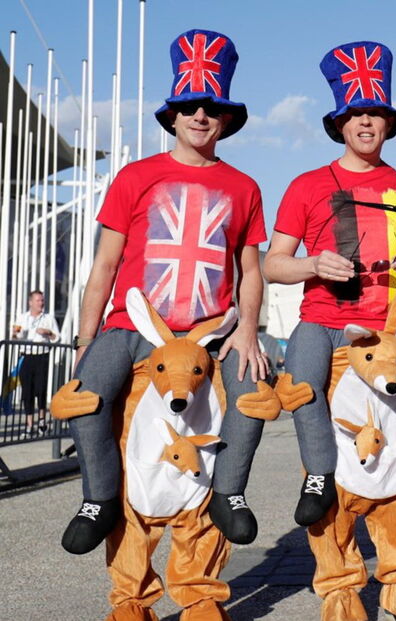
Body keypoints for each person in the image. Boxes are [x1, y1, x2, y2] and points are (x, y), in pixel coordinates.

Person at [61, 29, 268, 554]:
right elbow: (105, 264)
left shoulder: (244, 187)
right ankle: (99, 497)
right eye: (189, 106)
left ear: (226, 119)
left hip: (209, 332)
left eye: (212, 107)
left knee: (253, 398)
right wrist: (86, 340)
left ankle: (229, 492)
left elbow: (250, 269)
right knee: (85, 397)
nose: (200, 115)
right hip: (133, 326)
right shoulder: (135, 177)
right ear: (171, 116)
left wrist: (248, 331)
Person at [264, 40, 396, 524]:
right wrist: (313, 265)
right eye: (355, 114)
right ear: (339, 124)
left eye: (375, 113)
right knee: (300, 385)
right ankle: (319, 476)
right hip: (325, 320)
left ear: (390, 123)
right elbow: (273, 264)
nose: (366, 123)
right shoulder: (305, 185)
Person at [12, 290, 61, 438]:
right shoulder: (22, 318)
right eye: (38, 300)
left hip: (41, 356)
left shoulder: (48, 318)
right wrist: (16, 334)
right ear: (31, 302)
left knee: (41, 389)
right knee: (27, 392)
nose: (41, 303)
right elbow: (15, 335)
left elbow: (57, 338)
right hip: (26, 356)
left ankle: (42, 422)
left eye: (42, 300)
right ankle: (29, 425)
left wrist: (48, 332)